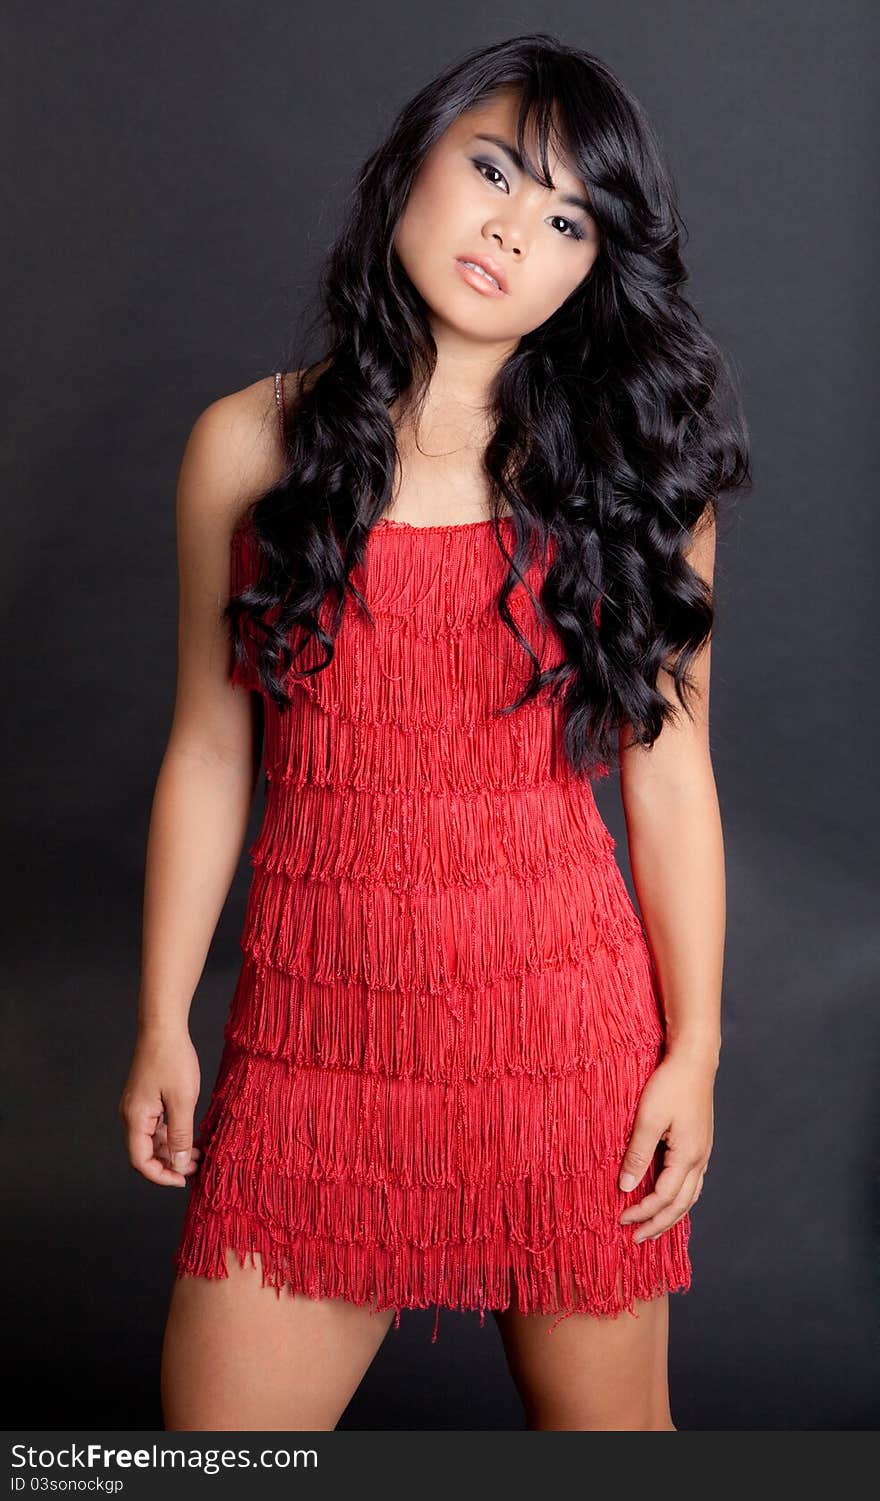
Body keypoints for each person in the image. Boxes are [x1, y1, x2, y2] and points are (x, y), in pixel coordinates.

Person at [118, 33, 750, 1432]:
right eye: (493, 171)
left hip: (565, 1052)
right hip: (313, 1054)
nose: (515, 229)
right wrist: (165, 1014)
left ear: (596, 269)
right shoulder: (247, 447)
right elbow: (211, 751)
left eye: (568, 217)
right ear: (413, 161)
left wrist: (693, 1048)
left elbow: (671, 780)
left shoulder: (643, 487)